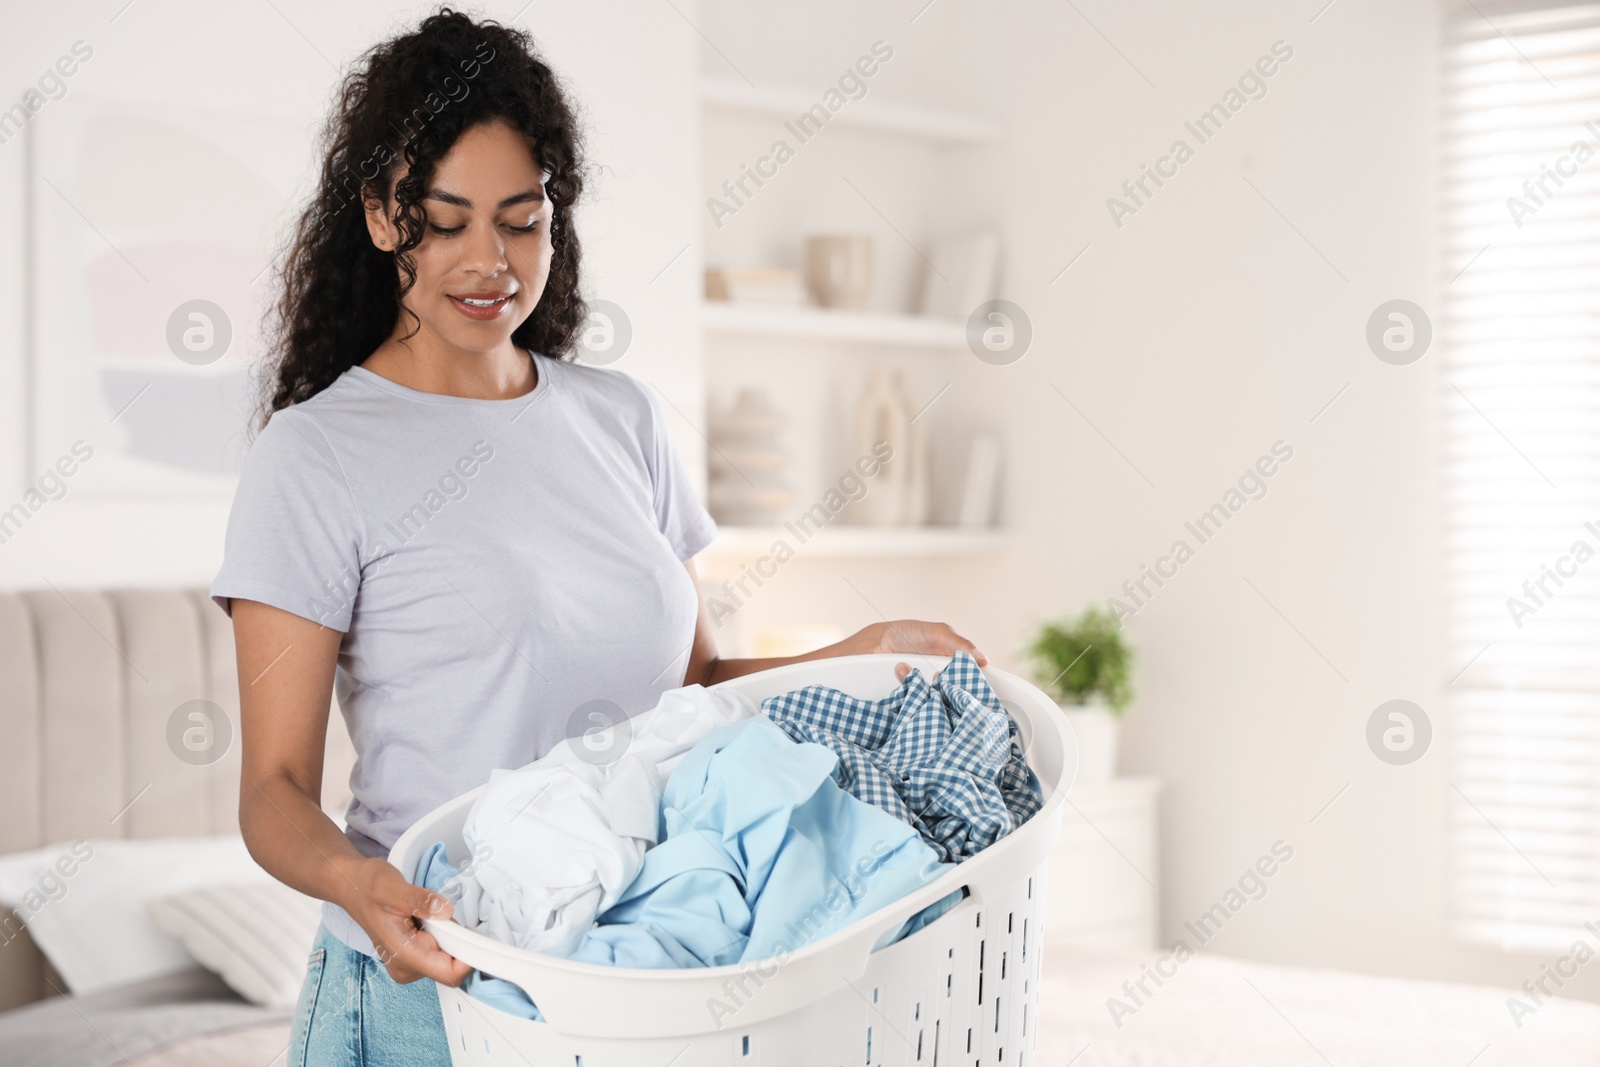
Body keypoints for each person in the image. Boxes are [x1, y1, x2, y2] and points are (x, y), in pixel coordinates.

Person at [211, 9, 984, 1066]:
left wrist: (856, 652)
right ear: (385, 216)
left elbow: (694, 689)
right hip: (436, 981)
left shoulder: (621, 417)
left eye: (521, 219)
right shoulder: (314, 458)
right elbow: (273, 794)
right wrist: (362, 882)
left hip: (637, 970)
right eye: (447, 220)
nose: (490, 260)